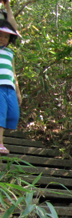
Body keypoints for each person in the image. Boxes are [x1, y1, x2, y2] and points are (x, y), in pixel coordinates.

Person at [0, 19, 21, 156]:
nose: (3, 38)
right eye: (0, 35)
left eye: (6, 36)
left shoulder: (10, 53)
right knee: (0, 113)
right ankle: (0, 143)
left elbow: (13, 73)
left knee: (13, 115)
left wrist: (18, 92)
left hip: (10, 87)